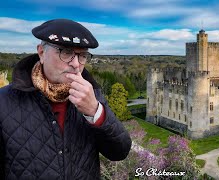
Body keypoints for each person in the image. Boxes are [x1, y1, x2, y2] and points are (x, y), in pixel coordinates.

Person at [0, 19, 132, 179]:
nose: (76, 64)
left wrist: (95, 112)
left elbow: (119, 152)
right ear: (41, 53)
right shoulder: (5, 101)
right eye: (66, 52)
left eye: (82, 55)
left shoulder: (92, 95)